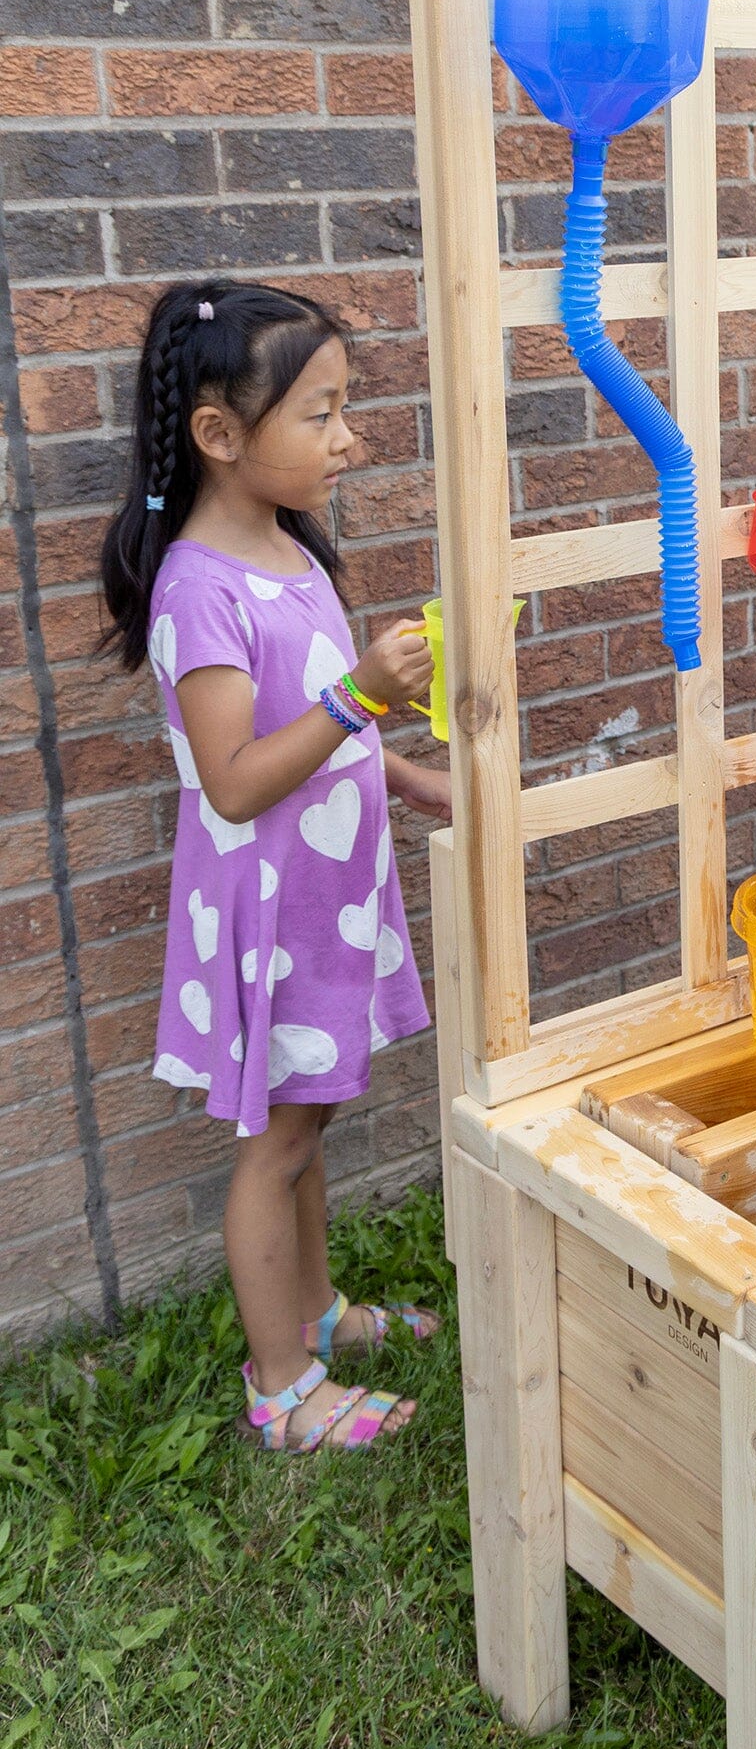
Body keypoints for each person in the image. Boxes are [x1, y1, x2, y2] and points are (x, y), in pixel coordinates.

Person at [100, 281, 452, 1454]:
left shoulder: (291, 551)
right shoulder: (201, 590)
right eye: (321, 414)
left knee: (310, 1123)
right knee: (280, 1142)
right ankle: (284, 1387)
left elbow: (319, 735)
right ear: (219, 435)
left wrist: (403, 776)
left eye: (346, 408)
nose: (348, 437)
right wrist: (365, 694)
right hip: (270, 912)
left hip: (325, 897)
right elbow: (240, 779)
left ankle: (316, 1311)